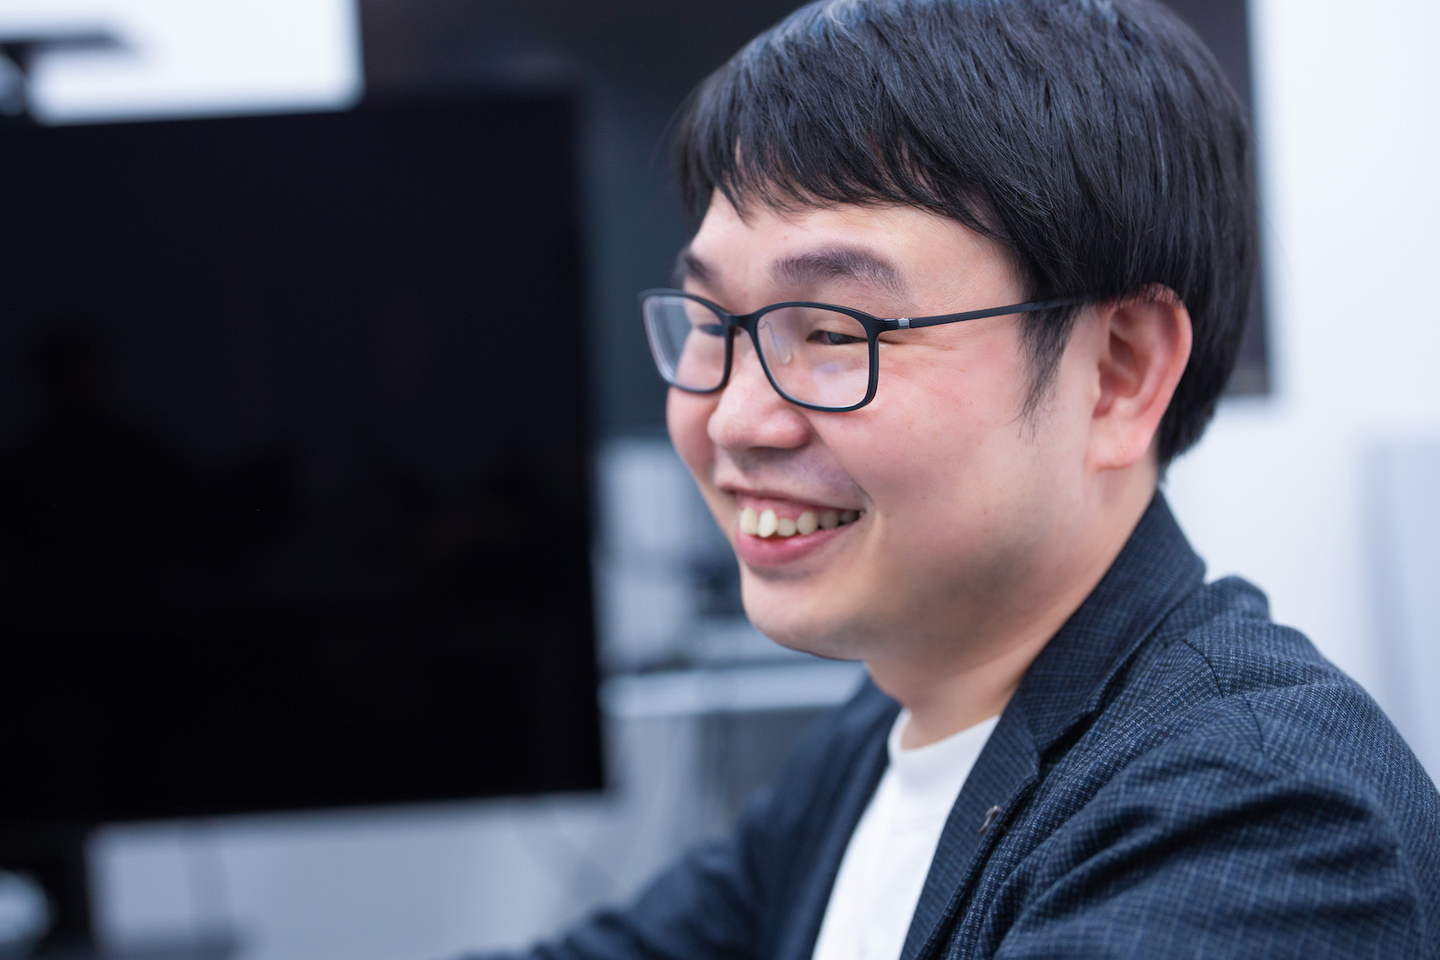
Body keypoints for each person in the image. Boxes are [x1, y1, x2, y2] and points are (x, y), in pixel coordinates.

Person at [485, 0, 1440, 956]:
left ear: (1118, 372)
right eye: (710, 324)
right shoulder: (889, 723)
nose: (734, 418)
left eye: (833, 332)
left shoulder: (1259, 823)